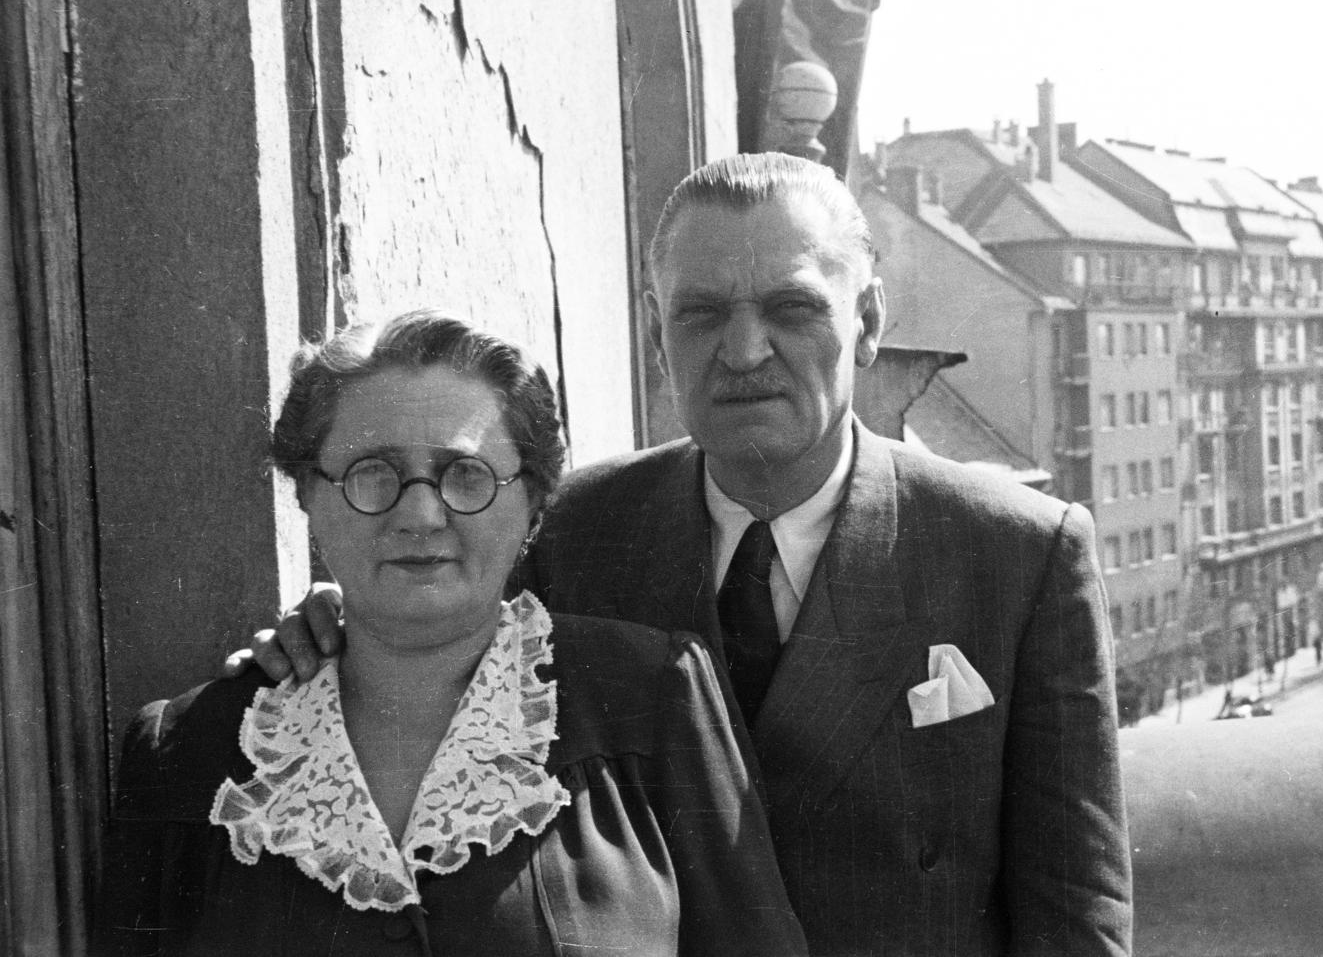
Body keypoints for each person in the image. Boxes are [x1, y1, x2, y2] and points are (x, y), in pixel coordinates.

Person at [249, 153, 1133, 955]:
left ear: (866, 321)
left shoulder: (1017, 554)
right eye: (703, 312)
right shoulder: (572, 532)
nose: (744, 351)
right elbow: (438, 642)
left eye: (792, 308)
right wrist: (337, 626)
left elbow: (1076, 915)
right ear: (655, 330)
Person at [102, 311, 805, 956]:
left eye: (466, 474)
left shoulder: (653, 695)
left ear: (533, 501)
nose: (420, 515)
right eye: (371, 472)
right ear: (308, 494)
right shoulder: (185, 750)